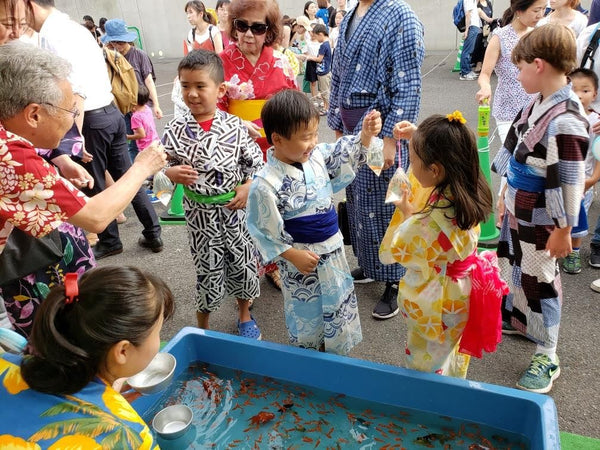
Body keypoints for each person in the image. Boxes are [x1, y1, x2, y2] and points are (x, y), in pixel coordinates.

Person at [0, 41, 167, 336]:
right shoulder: (11, 157)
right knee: (58, 333)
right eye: (70, 108)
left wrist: (59, 159)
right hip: (31, 275)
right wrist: (142, 166)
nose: (73, 116)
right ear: (33, 114)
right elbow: (95, 217)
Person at [25, 0, 164, 260]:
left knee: (97, 183)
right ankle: (153, 231)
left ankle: (111, 241)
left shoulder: (52, 36)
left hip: (87, 118)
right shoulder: (77, 30)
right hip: (110, 112)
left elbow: (76, 92)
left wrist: (73, 138)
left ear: (28, 4)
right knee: (129, 175)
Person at [491, 23, 588, 393]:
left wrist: (564, 229)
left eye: (518, 68)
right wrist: (503, 195)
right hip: (520, 203)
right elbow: (515, 150)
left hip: (545, 216)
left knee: (541, 279)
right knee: (515, 267)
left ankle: (548, 352)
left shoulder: (566, 118)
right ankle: (524, 324)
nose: (516, 76)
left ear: (538, 65)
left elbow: (568, 180)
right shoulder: (538, 102)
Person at [247, 89, 382, 355]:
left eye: (315, 134)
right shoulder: (265, 183)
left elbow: (344, 152)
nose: (313, 142)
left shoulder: (316, 155)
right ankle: (311, 361)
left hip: (332, 251)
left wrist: (366, 135)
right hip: (300, 262)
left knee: (338, 312)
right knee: (308, 317)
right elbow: (262, 230)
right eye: (305, 137)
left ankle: (337, 360)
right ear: (278, 139)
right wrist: (292, 254)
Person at [380, 112, 505, 378]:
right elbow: (454, 146)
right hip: (462, 291)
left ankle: (429, 404)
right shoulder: (469, 190)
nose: (411, 166)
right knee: (451, 354)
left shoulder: (426, 222)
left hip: (438, 302)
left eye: (413, 160)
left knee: (427, 362)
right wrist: (418, 137)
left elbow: (399, 250)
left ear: (435, 169)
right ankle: (453, 389)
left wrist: (406, 210)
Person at [0, 265, 175, 447]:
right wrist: (111, 413)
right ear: (123, 351)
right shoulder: (129, 437)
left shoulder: (6, 364)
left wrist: (106, 401)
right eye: (158, 331)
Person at [328, 0, 425, 319]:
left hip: (381, 126)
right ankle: (371, 265)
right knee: (357, 199)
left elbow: (408, 82)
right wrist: (338, 127)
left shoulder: (401, 16)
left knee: (389, 202)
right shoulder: (350, 17)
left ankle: (395, 279)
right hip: (354, 126)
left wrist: (390, 141)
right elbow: (338, 77)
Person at [162, 50, 264, 338]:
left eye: (199, 86)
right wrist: (170, 174)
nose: (191, 94)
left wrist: (248, 185)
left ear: (220, 90)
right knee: (207, 269)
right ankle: (203, 326)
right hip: (200, 216)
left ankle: (244, 314)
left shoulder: (234, 126)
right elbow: (154, 168)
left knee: (243, 264)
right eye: (185, 86)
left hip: (234, 210)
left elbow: (255, 163)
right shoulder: (174, 131)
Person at [219, 0, 297, 291]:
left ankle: (274, 265)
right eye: (242, 26)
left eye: (258, 27)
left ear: (270, 31)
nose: (249, 34)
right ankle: (245, 279)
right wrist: (237, 125)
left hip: (274, 150)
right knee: (244, 217)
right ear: (233, 26)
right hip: (236, 151)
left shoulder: (280, 62)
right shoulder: (220, 62)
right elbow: (211, 110)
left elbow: (294, 107)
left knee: (276, 212)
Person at [476, 0, 546, 208]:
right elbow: (485, 74)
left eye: (543, 10)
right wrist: (485, 87)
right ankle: (504, 207)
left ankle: (515, 207)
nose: (540, 15)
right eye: (536, 10)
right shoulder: (500, 37)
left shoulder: (540, 35)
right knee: (514, 158)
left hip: (537, 107)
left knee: (531, 161)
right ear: (519, 10)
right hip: (508, 109)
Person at [562, 68, 600, 275]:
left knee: (578, 219)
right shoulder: (562, 116)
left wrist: (593, 179)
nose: (578, 95)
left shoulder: (597, 122)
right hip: (563, 179)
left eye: (585, 90)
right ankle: (560, 246)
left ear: (595, 94)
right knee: (560, 215)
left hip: (584, 181)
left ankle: (574, 252)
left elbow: (599, 154)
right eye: (573, 90)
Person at [101, 19, 163, 120]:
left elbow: (149, 81)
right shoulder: (110, 57)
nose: (117, 45)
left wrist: (156, 105)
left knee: (145, 135)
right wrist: (106, 51)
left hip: (140, 105)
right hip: (120, 107)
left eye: (121, 42)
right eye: (113, 42)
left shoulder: (139, 55)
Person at [126, 85, 160, 163]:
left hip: (146, 147)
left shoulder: (135, 117)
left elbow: (142, 135)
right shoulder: (147, 109)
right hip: (155, 142)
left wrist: (127, 137)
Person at [306, 23, 332, 115]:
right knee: (324, 90)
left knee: (325, 92)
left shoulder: (323, 46)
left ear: (321, 34)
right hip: (325, 71)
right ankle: (326, 107)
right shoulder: (328, 43)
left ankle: (328, 108)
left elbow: (319, 59)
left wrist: (310, 57)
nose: (316, 40)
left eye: (316, 37)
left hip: (323, 72)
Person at [459, 0, 482, 81]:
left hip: (473, 27)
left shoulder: (472, 1)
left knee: (469, 50)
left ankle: (467, 70)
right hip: (471, 27)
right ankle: (465, 73)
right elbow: (468, 14)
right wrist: (467, 30)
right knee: (467, 51)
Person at [471, 0, 495, 73]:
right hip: (479, 28)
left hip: (487, 28)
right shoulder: (476, 4)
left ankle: (485, 65)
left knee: (486, 47)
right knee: (479, 46)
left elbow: (490, 16)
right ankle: (478, 64)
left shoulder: (489, 3)